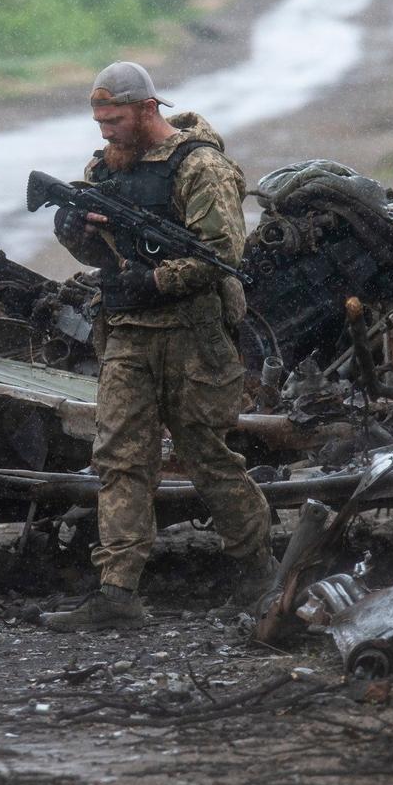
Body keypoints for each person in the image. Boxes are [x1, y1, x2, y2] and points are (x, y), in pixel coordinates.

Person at [41, 62, 276, 632]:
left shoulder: (201, 167)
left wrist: (152, 281)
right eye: (98, 121)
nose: (105, 132)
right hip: (128, 336)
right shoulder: (106, 168)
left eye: (114, 119)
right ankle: (117, 593)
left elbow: (222, 253)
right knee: (120, 460)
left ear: (148, 109)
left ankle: (262, 576)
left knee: (207, 458)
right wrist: (75, 229)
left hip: (194, 337)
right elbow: (99, 254)